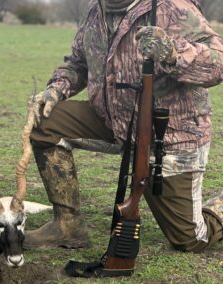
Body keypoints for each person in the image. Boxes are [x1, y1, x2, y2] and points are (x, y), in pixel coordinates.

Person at [25, 0, 223, 253]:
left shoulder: (172, 7)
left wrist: (174, 53)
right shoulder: (97, 10)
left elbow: (218, 63)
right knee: (46, 121)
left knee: (190, 239)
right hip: (111, 120)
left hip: (168, 136)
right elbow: (78, 62)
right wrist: (56, 89)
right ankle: (67, 225)